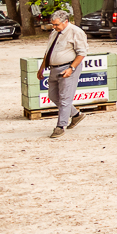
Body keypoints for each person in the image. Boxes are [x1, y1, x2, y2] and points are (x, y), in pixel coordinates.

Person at [41, 10, 90, 138]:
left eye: (56, 24)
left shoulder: (76, 32)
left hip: (68, 67)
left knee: (65, 98)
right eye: (53, 24)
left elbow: (82, 53)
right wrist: (41, 68)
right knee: (53, 95)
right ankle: (76, 115)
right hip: (54, 68)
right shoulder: (55, 32)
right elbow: (48, 51)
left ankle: (60, 126)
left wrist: (71, 68)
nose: (54, 27)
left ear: (66, 22)